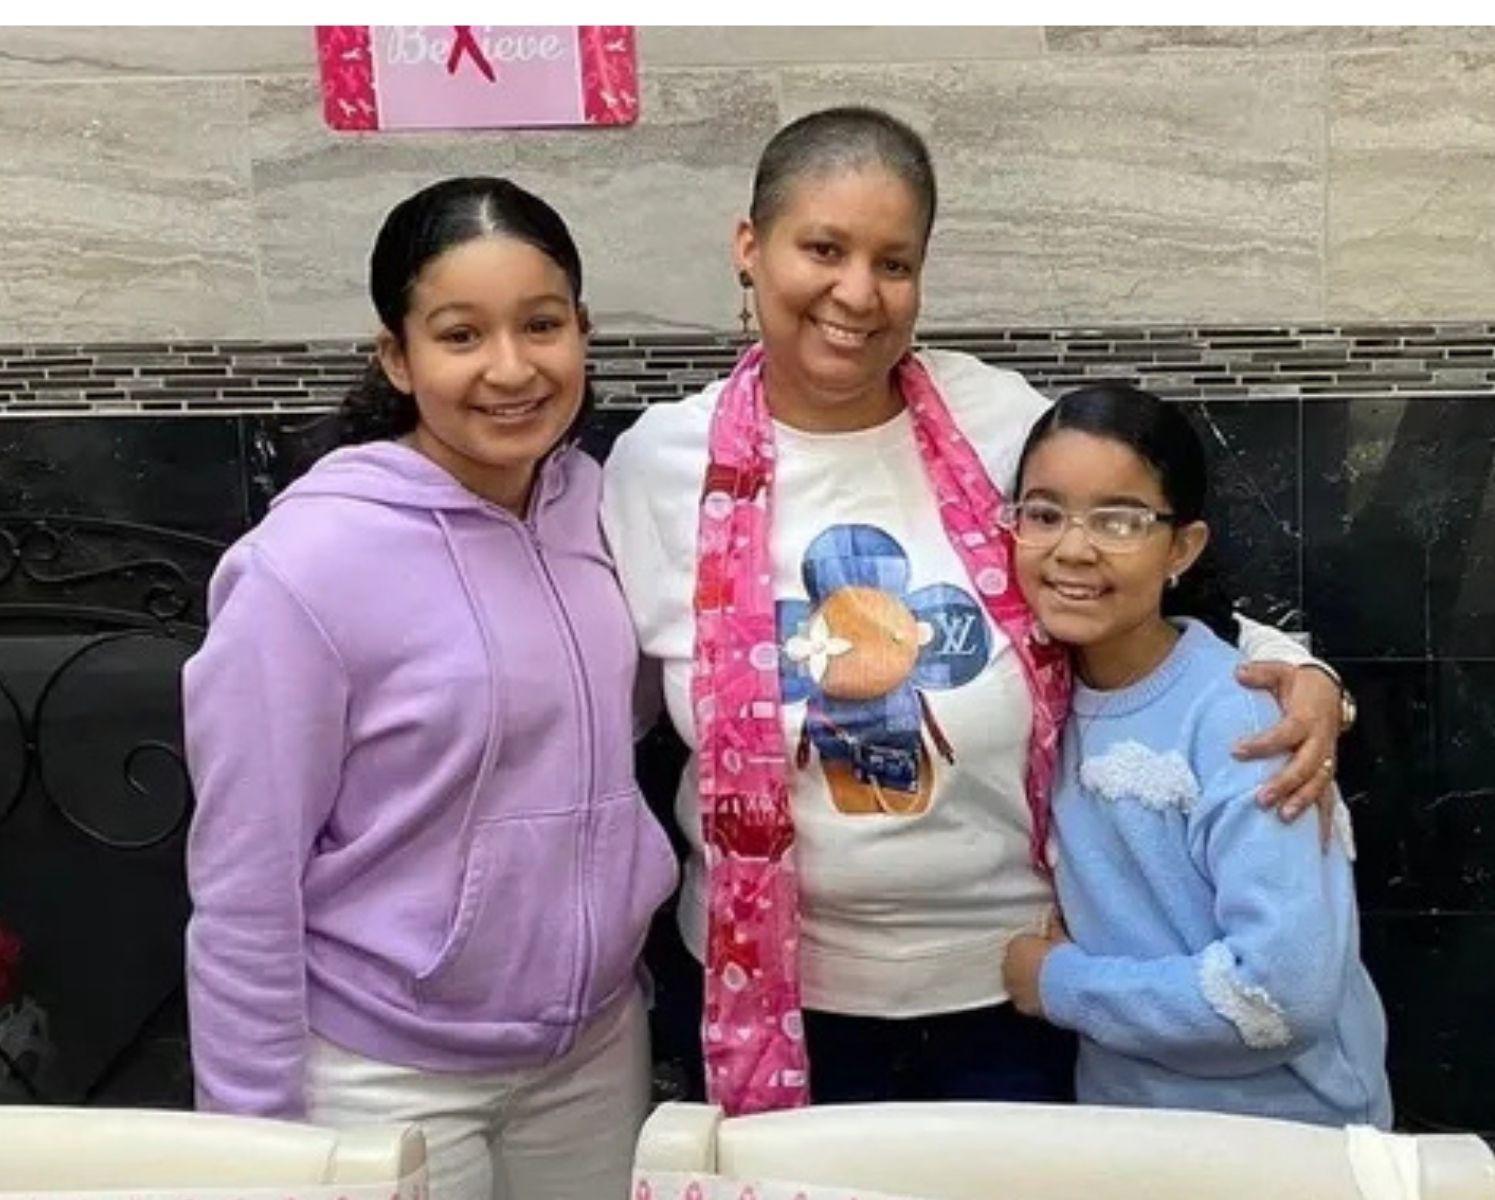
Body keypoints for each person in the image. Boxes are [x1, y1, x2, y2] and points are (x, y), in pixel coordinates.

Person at [599, 106, 1351, 1115]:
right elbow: (596, 697)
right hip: (767, 991)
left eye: (893, 262)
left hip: (1012, 983)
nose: (856, 294)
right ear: (749, 246)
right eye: (822, 248)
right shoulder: (658, 466)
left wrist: (1306, 679)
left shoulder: (996, 422)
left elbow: (1135, 575)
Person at [183, 177, 678, 1200]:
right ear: (397, 358)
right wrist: (254, 1141)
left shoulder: (607, 509)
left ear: (582, 330)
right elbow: (243, 882)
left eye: (542, 324)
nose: (510, 369)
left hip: (591, 1053)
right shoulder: (305, 568)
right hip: (379, 1073)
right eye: (461, 335)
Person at [999, 382, 1390, 1127]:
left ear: (1182, 547)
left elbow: (1279, 994)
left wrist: (1059, 983)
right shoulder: (1035, 696)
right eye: (1045, 514)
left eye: (1120, 520)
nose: (1074, 548)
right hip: (1127, 1129)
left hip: (1281, 1139)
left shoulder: (1242, 720)